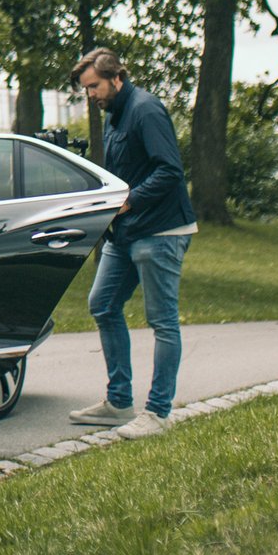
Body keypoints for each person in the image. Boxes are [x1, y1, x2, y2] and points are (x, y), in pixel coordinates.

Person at [68, 48, 197, 438]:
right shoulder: (114, 116)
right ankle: (119, 402)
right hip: (125, 233)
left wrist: (131, 200)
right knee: (102, 304)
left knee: (162, 321)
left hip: (160, 231)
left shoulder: (146, 109)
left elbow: (170, 170)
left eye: (94, 86)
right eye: (86, 90)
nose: (91, 95)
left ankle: (157, 414)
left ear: (116, 78)